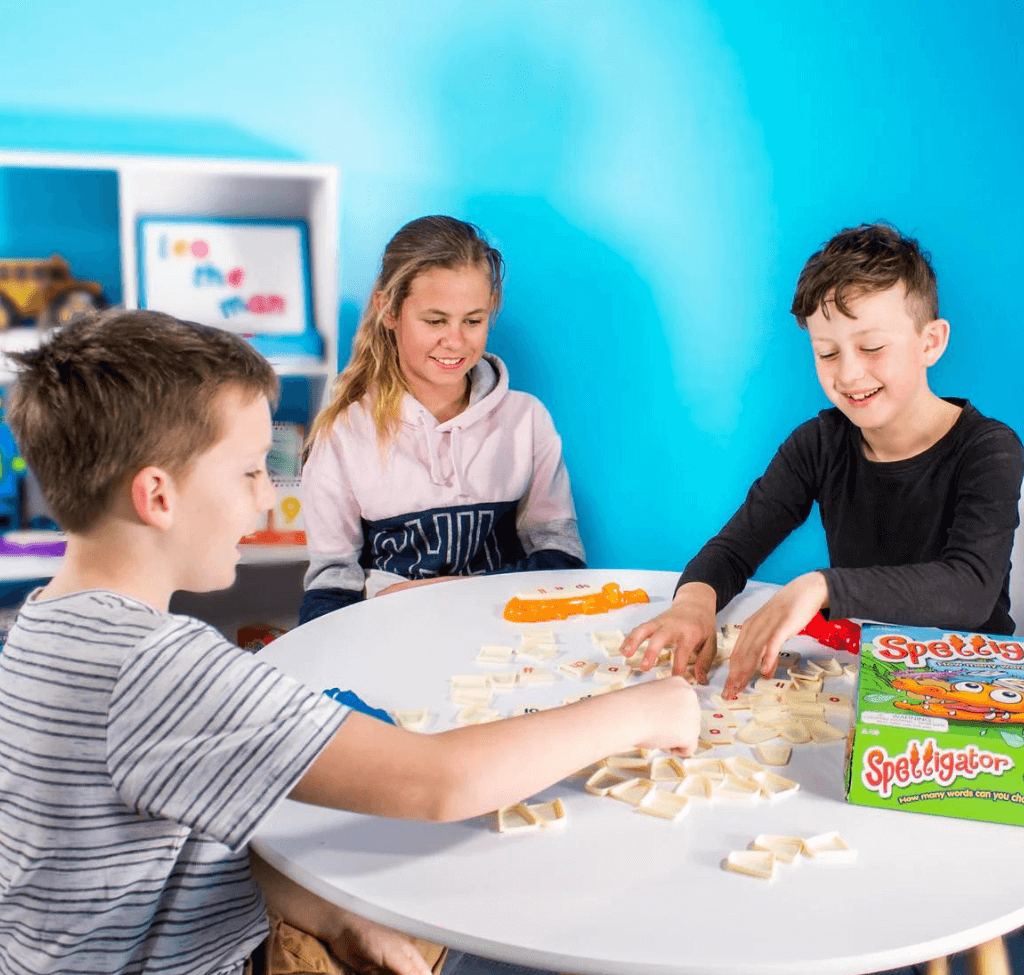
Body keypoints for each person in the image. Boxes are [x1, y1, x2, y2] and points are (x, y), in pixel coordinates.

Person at [0, 309, 700, 975]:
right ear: (158, 496)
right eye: (250, 471)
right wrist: (642, 709)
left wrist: (334, 919)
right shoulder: (157, 669)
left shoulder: (43, 630)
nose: (267, 498)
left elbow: (178, 845)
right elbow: (439, 781)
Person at [622, 222, 1024, 698]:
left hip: (972, 680)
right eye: (827, 353)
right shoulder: (818, 444)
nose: (849, 374)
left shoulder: (989, 448)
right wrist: (693, 603)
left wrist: (823, 586)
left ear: (930, 343)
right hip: (863, 674)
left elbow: (970, 589)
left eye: (871, 347)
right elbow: (732, 550)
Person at [299, 216, 584, 624]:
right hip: (391, 640)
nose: (455, 341)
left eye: (473, 320)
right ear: (388, 310)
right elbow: (331, 587)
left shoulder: (527, 420)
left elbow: (563, 562)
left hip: (508, 640)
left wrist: (444, 590)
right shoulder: (343, 435)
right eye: (434, 321)